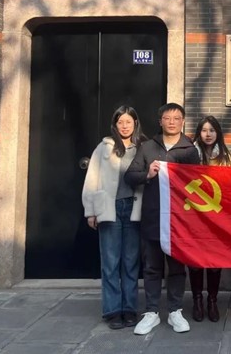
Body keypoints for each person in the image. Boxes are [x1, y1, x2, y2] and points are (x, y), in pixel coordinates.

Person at [125, 103, 200, 335]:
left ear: (183, 121)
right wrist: (147, 174)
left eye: (177, 118)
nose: (172, 122)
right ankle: (152, 312)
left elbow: (198, 183)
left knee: (177, 267)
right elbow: (130, 176)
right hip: (153, 216)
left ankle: (175, 310)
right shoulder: (147, 147)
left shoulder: (190, 150)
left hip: (179, 220)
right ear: (160, 121)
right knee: (152, 267)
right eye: (167, 118)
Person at [82, 105, 147, 330]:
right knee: (110, 262)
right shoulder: (104, 147)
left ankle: (129, 308)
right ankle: (112, 310)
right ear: (115, 125)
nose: (125, 126)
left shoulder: (143, 147)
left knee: (131, 262)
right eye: (121, 122)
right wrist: (91, 211)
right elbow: (92, 179)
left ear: (135, 123)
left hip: (134, 209)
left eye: (129, 122)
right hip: (109, 209)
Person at [189, 115, 231, 322]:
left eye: (212, 130)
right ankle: (197, 300)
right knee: (195, 261)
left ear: (218, 133)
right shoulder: (190, 154)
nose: (208, 134)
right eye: (204, 130)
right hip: (193, 215)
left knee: (215, 261)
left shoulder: (226, 156)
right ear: (199, 133)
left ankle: (212, 300)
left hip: (217, 216)